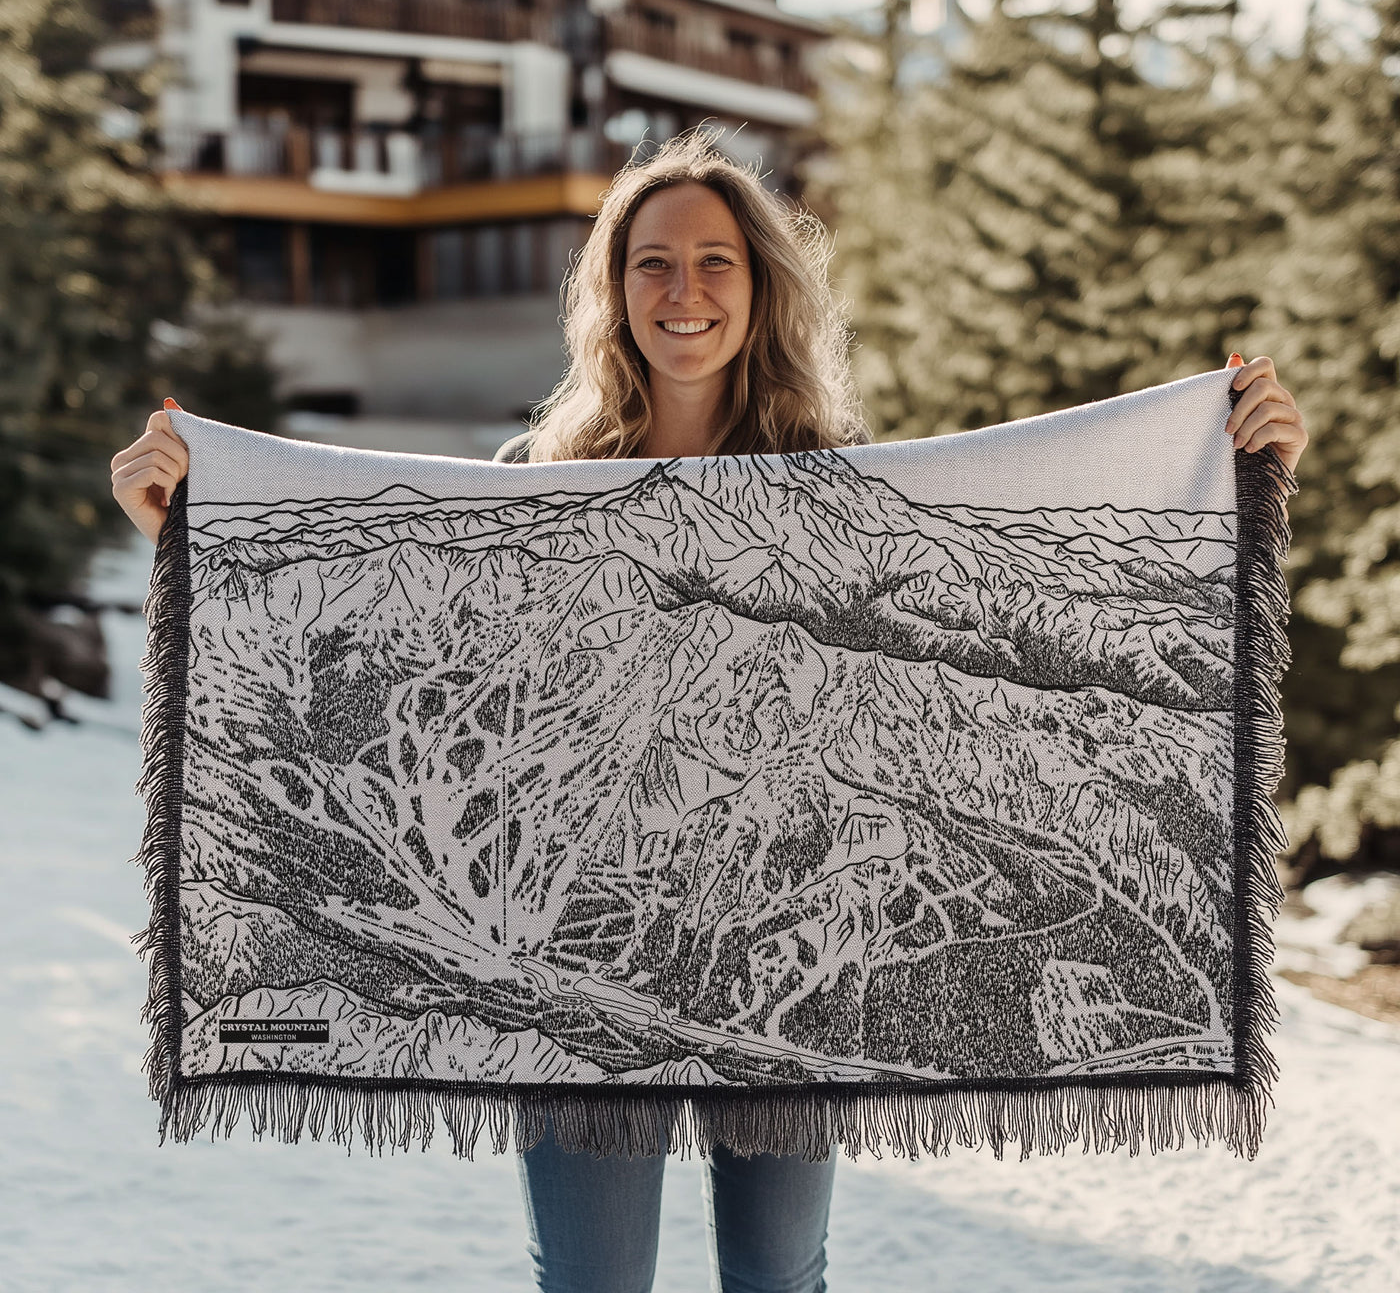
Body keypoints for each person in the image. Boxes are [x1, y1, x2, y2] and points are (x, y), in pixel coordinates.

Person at [111, 128, 1309, 1293]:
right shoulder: (530, 486)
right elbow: (380, 637)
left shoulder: (841, 485)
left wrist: (1241, 468)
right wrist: (188, 531)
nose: (683, 289)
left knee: (779, 1273)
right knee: (591, 1278)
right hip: (570, 952)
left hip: (776, 924)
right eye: (652, 262)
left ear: (759, 289)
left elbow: (1033, 572)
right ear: (613, 292)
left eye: (714, 261)